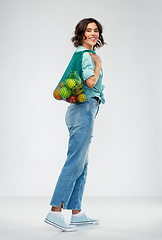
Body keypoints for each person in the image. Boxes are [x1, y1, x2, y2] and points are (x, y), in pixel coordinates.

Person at [45, 18, 106, 232]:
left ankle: (76, 212)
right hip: (84, 111)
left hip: (79, 112)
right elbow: (90, 82)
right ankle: (55, 211)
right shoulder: (88, 56)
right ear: (80, 34)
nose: (93, 33)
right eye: (88, 30)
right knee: (74, 163)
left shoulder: (81, 54)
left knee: (82, 163)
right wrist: (98, 64)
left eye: (96, 30)